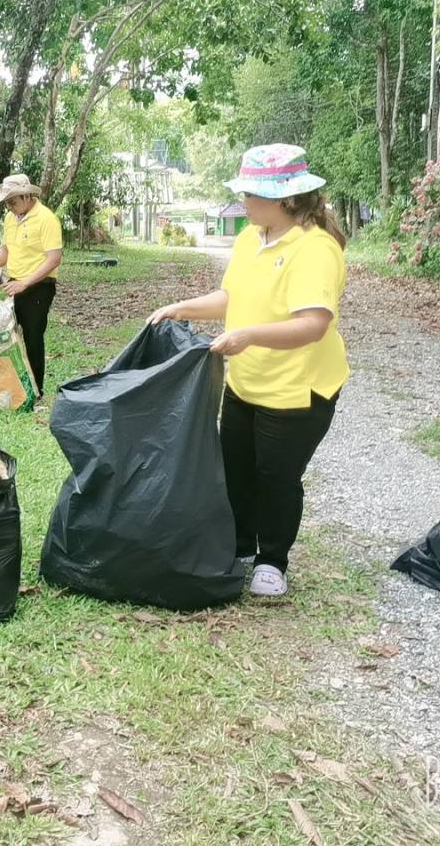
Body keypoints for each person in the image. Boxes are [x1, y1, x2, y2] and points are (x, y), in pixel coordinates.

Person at [148, 144, 349, 597]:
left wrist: (248, 336)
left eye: (252, 194)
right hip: (247, 381)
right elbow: (230, 299)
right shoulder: (249, 238)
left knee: (276, 477)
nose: (244, 201)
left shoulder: (314, 248)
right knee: (236, 468)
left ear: (287, 199)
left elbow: (313, 324)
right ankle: (238, 545)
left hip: (298, 391)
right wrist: (182, 308)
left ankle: (272, 561)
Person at [0, 173, 62, 396]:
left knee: (32, 335)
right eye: (7, 203)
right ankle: (13, 383)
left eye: (13, 201)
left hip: (39, 285)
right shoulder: (10, 219)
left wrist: (25, 283)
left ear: (28, 196)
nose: (9, 207)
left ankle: (36, 390)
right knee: (5, 333)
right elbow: (6, 250)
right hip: (13, 282)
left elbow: (53, 258)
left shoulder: (47, 219)